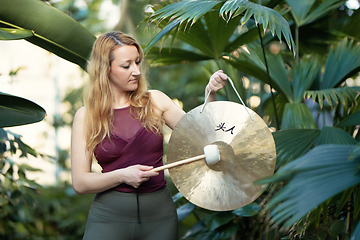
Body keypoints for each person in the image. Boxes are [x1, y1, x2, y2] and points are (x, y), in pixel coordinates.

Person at [71, 31, 228, 240]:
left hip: (160, 217)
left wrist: (212, 92)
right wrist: (122, 175)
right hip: (108, 218)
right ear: (105, 69)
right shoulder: (86, 116)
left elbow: (205, 136)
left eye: (137, 62)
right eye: (126, 65)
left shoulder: (155, 101)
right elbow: (80, 183)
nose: (136, 71)